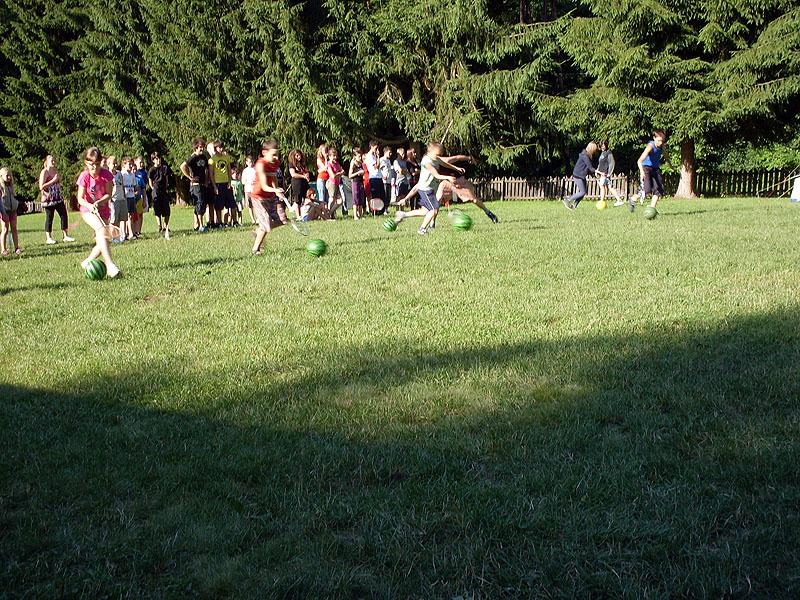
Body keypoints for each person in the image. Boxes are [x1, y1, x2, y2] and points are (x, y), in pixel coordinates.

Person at [75, 147, 120, 277]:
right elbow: (80, 198)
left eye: (96, 163)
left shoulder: (107, 175)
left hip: (103, 210)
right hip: (87, 210)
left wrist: (99, 202)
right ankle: (110, 265)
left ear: (100, 162)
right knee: (101, 230)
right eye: (91, 164)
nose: (94, 167)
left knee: (103, 239)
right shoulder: (84, 176)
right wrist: (90, 205)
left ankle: (87, 261)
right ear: (86, 163)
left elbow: (109, 194)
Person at [394, 142, 456, 235]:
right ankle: (422, 229)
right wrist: (448, 177)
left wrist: (456, 168)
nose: (439, 156)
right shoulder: (427, 162)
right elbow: (436, 175)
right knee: (433, 210)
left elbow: (445, 163)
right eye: (437, 154)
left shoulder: (434, 158)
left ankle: (404, 214)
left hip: (427, 189)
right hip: (426, 190)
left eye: (440, 155)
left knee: (425, 211)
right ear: (430, 152)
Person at [434, 154, 499, 223]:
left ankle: (489, 213)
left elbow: (457, 157)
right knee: (437, 201)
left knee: (474, 200)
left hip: (459, 182)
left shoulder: (443, 160)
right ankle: (432, 224)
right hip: (446, 183)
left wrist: (469, 158)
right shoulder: (430, 162)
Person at [250, 140, 287, 255]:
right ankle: (255, 249)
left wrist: (277, 190)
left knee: (282, 221)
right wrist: (276, 190)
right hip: (259, 198)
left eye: (277, 154)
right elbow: (264, 186)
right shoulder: (260, 164)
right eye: (273, 154)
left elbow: (273, 177)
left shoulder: (275, 162)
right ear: (264, 152)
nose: (276, 157)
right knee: (266, 225)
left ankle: (258, 231)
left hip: (270, 197)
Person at [39, 155, 74, 244]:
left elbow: (58, 183)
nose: (54, 162)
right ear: (47, 162)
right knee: (50, 217)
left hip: (57, 197)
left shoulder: (55, 171)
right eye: (52, 160)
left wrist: (58, 181)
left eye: (54, 160)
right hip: (48, 199)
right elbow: (41, 186)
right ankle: (49, 238)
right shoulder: (44, 172)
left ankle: (65, 236)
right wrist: (53, 180)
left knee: (64, 215)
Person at [180, 138, 211, 232]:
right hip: (195, 184)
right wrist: (189, 177)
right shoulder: (192, 157)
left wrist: (207, 180)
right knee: (199, 203)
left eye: (203, 147)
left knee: (201, 204)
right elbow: (182, 166)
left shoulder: (204, 157)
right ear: (196, 147)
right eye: (200, 147)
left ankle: (196, 225)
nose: (202, 149)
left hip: (203, 183)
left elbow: (206, 169)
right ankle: (201, 225)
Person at [636, 129, 667, 211]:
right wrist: (642, 171)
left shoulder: (662, 146)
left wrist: (671, 165)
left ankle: (652, 209)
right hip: (646, 168)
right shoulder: (650, 146)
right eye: (659, 140)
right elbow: (639, 161)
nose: (661, 143)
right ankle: (633, 199)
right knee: (647, 190)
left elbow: (666, 155)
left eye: (662, 141)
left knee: (658, 189)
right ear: (654, 138)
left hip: (655, 169)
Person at [563, 142, 600, 210]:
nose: (595, 152)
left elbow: (587, 168)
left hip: (582, 175)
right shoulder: (585, 156)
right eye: (594, 150)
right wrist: (599, 172)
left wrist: (593, 175)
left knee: (583, 192)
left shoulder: (588, 155)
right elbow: (590, 168)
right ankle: (568, 200)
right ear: (591, 149)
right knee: (582, 192)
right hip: (578, 176)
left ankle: (574, 206)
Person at [209, 140, 233, 228]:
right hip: (218, 184)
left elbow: (229, 170)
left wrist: (229, 182)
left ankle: (234, 221)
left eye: (222, 147)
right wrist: (214, 186)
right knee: (218, 205)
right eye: (219, 147)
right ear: (215, 148)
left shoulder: (226, 158)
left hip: (226, 183)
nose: (221, 149)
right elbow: (211, 174)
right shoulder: (212, 160)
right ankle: (219, 222)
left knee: (231, 204)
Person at [148, 151, 172, 239]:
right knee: (157, 209)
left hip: (163, 191)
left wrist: (166, 187)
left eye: (159, 158)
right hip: (156, 191)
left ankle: (166, 226)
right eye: (156, 159)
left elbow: (166, 178)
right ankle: (160, 226)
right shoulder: (151, 170)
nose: (158, 160)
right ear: (153, 160)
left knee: (167, 209)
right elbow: (150, 181)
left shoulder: (164, 168)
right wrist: (153, 189)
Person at [596, 141, 625, 207]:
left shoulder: (608, 152)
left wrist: (609, 173)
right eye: (601, 145)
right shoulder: (602, 153)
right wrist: (597, 170)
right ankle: (619, 200)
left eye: (604, 145)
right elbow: (600, 164)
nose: (602, 147)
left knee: (602, 187)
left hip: (605, 173)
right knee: (610, 187)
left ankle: (601, 201)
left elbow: (612, 163)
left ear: (606, 145)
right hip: (601, 173)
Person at [0, 167, 22, 256]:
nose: (9, 177)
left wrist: (17, 204)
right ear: (1, 176)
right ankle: (3, 249)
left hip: (13, 211)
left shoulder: (11, 186)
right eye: (7, 176)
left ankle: (17, 247)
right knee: (5, 229)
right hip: (4, 211)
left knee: (14, 228)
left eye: (10, 175)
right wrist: (3, 213)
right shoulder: (1, 188)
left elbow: (14, 197)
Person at [108, 156, 129, 243]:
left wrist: (124, 195)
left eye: (116, 163)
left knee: (122, 218)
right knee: (114, 219)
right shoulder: (107, 175)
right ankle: (114, 237)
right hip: (114, 200)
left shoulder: (119, 174)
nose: (115, 165)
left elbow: (122, 185)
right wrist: (109, 199)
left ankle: (122, 235)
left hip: (121, 198)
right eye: (113, 163)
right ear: (108, 164)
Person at [288, 149, 310, 218]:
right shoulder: (291, 164)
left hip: (304, 183)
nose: (299, 156)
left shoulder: (302, 164)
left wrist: (307, 175)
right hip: (297, 183)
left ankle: (306, 214)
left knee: (308, 197)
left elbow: (306, 171)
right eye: (297, 155)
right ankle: (298, 216)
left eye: (299, 155)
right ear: (293, 156)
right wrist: (303, 176)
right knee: (298, 200)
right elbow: (293, 174)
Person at [365, 140, 385, 213]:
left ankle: (381, 210)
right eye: (376, 148)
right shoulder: (369, 156)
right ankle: (375, 211)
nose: (377, 150)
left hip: (378, 177)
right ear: (371, 147)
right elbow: (376, 166)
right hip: (374, 177)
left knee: (381, 195)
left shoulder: (374, 156)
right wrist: (378, 156)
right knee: (375, 195)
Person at [122, 157, 140, 239]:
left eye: (131, 164)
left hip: (132, 196)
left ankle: (132, 232)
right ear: (124, 165)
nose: (131, 166)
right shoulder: (122, 174)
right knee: (127, 215)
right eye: (129, 164)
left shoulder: (132, 175)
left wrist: (136, 190)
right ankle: (128, 233)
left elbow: (135, 185)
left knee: (132, 215)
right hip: (125, 197)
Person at [325, 146, 345, 218]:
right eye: (333, 156)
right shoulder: (329, 164)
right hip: (332, 183)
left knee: (340, 201)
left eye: (336, 156)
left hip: (337, 183)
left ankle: (329, 213)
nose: (335, 157)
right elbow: (332, 176)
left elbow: (343, 171)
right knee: (332, 199)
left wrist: (338, 174)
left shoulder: (336, 163)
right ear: (329, 156)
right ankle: (329, 215)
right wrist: (339, 173)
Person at [349, 147, 367, 220]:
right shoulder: (353, 163)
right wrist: (358, 173)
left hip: (361, 182)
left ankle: (360, 215)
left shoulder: (360, 163)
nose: (360, 158)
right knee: (356, 199)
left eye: (361, 156)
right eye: (359, 156)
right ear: (354, 156)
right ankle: (355, 215)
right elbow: (350, 175)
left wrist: (362, 173)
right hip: (355, 182)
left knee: (361, 199)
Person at [133, 156, 148, 237]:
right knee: (132, 216)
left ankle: (138, 231)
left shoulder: (140, 177)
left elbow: (144, 189)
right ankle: (132, 231)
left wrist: (144, 200)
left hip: (139, 198)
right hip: (131, 199)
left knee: (140, 214)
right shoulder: (127, 176)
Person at [241, 155, 257, 224]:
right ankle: (253, 219)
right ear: (246, 162)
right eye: (249, 162)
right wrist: (248, 182)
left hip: (255, 189)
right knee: (250, 205)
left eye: (251, 162)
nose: (250, 163)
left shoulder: (255, 169)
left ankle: (258, 218)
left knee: (256, 204)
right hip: (248, 189)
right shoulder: (245, 171)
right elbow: (243, 181)